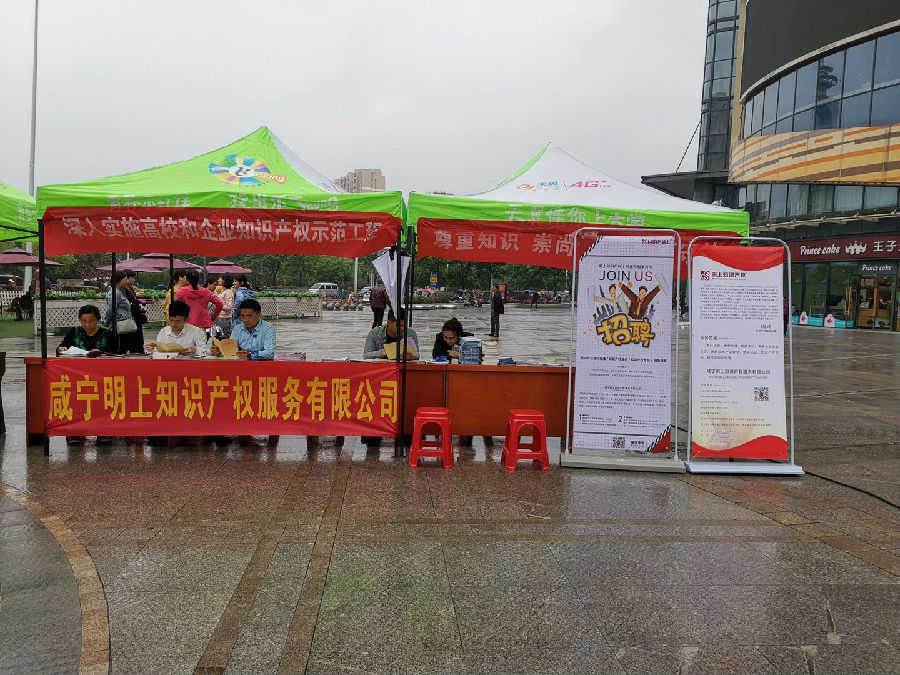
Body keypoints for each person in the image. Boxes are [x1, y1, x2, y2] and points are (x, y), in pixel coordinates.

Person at [104, 270, 141, 353]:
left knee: (125, 348)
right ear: (118, 281)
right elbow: (111, 309)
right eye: (125, 280)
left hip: (123, 326)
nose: (126, 281)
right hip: (119, 326)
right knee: (120, 349)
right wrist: (107, 323)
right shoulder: (115, 293)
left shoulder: (121, 291)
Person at [122, 270, 147, 350]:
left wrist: (139, 304)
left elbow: (134, 300)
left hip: (137, 318)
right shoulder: (123, 290)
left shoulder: (130, 288)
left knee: (139, 340)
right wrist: (138, 306)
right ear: (127, 278)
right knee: (133, 340)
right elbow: (129, 303)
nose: (134, 280)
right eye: (132, 278)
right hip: (130, 318)